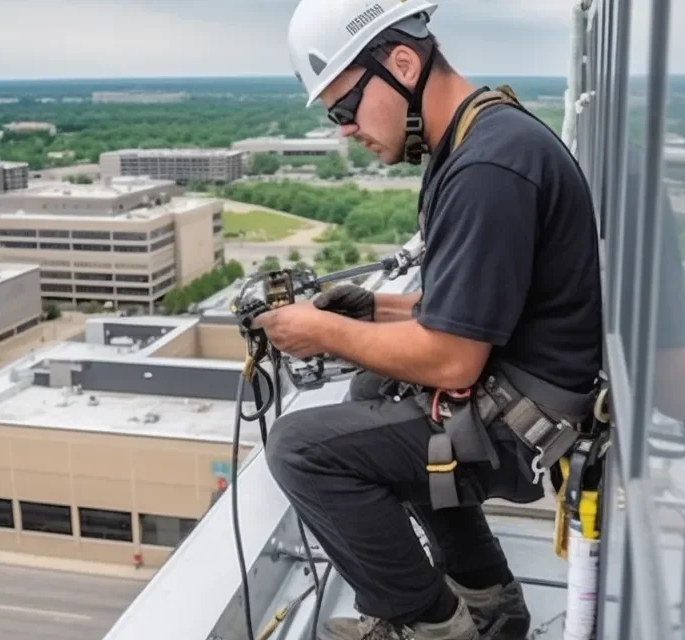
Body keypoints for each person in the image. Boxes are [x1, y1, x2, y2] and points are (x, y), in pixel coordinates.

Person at [252, 1, 603, 638]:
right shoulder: (479, 137)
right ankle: (490, 601)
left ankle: (430, 627)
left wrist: (325, 332)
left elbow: (453, 359)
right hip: (525, 384)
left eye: (343, 108)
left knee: (300, 451)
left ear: (403, 63)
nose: (344, 130)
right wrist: (373, 308)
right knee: (374, 388)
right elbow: (478, 305)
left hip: (529, 422)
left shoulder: (488, 167)